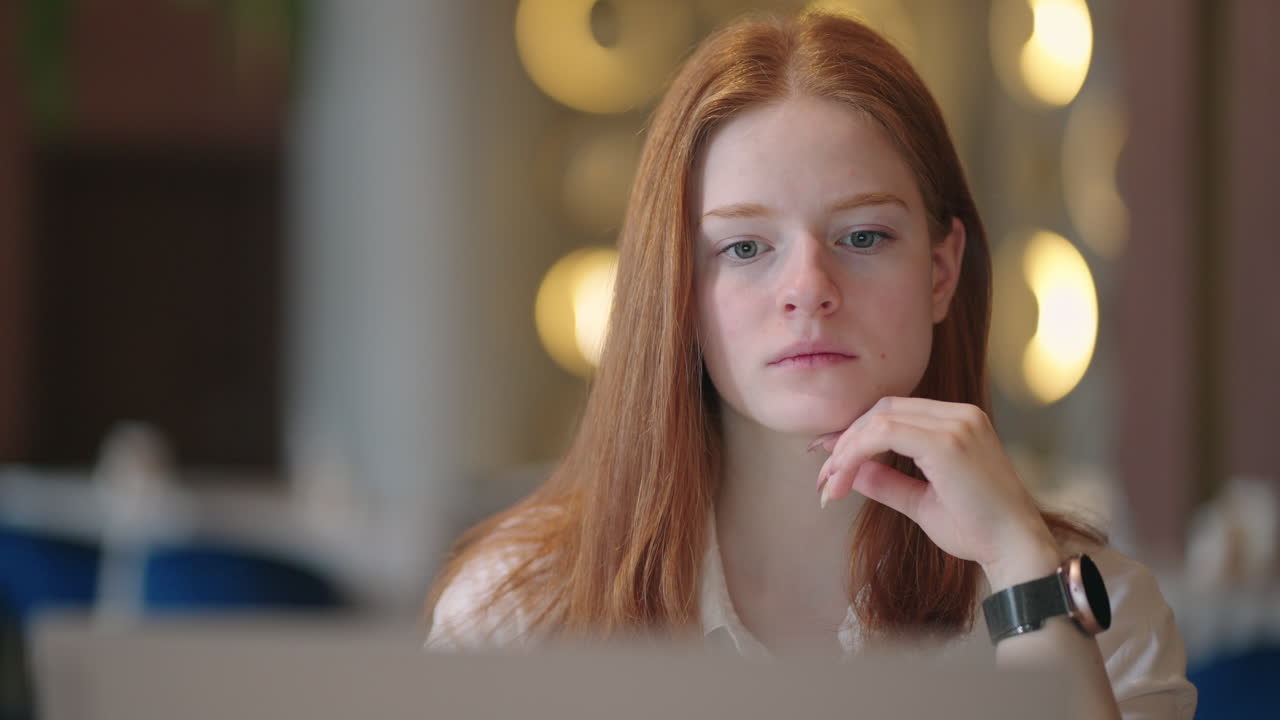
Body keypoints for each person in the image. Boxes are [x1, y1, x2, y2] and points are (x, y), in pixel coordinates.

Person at [426, 11, 1196, 719]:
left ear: (941, 270)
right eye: (745, 247)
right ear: (677, 291)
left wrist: (1025, 576)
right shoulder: (515, 612)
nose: (808, 291)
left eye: (862, 237)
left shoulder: (1101, 614)